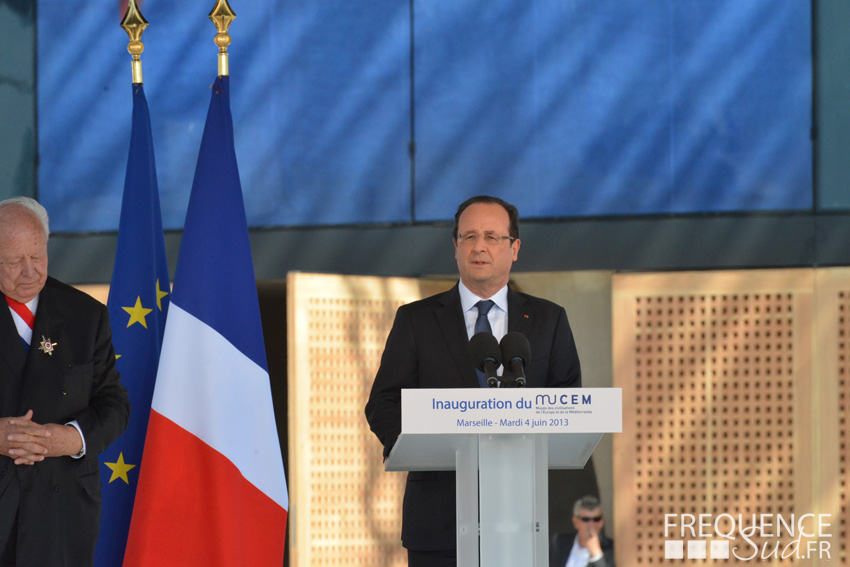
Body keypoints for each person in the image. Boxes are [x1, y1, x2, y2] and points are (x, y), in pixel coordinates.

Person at [365, 195, 582, 567]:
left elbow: (570, 403)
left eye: (492, 237)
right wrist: (420, 443)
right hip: (438, 521)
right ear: (455, 247)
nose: (479, 246)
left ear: (514, 248)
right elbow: (383, 403)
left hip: (522, 516)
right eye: (468, 236)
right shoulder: (416, 320)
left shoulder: (549, 320)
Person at [0, 197, 130, 567]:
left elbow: (114, 404)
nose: (29, 272)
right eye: (13, 261)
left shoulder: (85, 315)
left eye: (37, 257)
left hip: (63, 514)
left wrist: (73, 438)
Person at [550, 495, 615, 567]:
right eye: (586, 519)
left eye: (596, 519)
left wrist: (596, 553)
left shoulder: (611, 548)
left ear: (602, 522)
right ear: (575, 522)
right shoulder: (560, 542)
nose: (591, 524)